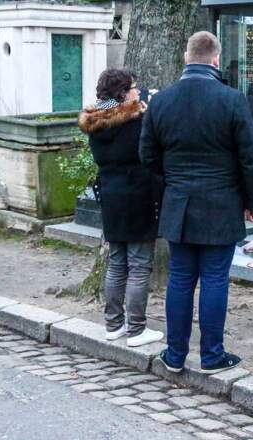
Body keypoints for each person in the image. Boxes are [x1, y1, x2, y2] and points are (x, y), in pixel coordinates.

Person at [140, 30, 253, 375]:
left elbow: (146, 155)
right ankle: (211, 355)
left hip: (178, 203)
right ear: (216, 59)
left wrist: (172, 185)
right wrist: (252, 201)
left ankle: (175, 354)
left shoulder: (161, 101)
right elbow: (249, 158)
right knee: (214, 280)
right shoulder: (232, 99)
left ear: (185, 57)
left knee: (179, 279)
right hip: (221, 203)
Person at [78, 68, 164, 347]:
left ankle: (113, 324)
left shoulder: (94, 121)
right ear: (122, 93)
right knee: (139, 265)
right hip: (138, 193)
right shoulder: (135, 121)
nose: (137, 91)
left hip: (111, 194)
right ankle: (136, 329)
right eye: (133, 88)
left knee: (117, 262)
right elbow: (150, 154)